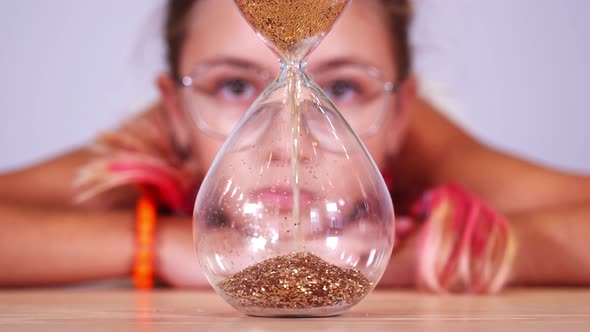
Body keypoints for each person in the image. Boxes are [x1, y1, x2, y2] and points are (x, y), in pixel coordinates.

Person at [1, 0, 589, 291]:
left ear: (405, 110)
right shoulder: (151, 156)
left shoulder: (425, 152)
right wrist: (160, 243)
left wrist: (447, 254)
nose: (289, 143)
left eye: (339, 87)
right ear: (173, 112)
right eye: (234, 86)